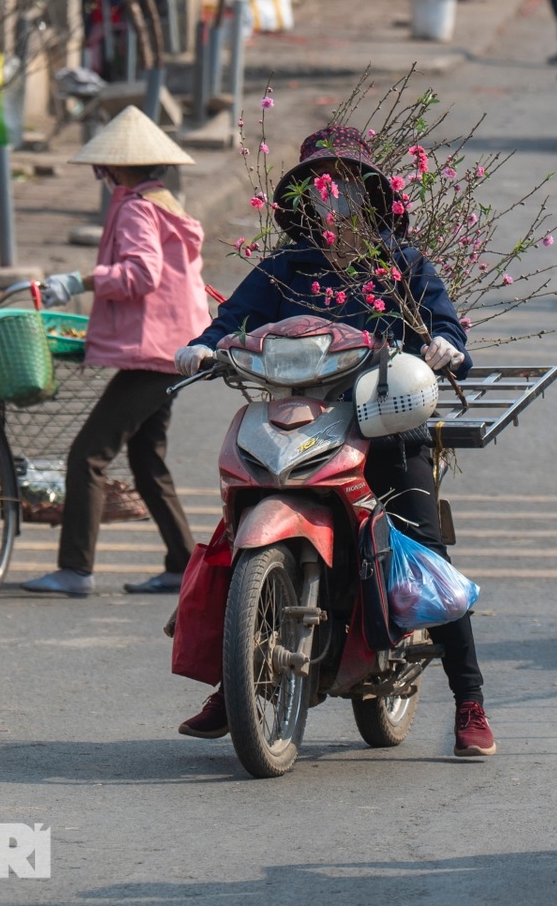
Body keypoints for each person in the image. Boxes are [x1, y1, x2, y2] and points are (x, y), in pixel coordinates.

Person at [170, 126, 497, 756]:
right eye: (324, 187)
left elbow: (447, 325)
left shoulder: (402, 266)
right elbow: (230, 323)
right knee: (230, 534)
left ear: (370, 194)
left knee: (426, 554)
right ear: (307, 201)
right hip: (298, 420)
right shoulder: (285, 270)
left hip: (385, 426)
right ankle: (232, 675)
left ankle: (470, 701)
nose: (335, 198)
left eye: (347, 185)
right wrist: (205, 348)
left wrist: (444, 345)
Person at [21, 107, 208, 599]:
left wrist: (81, 281)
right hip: (179, 348)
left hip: (155, 353)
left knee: (88, 454)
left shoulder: (134, 208)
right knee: (147, 458)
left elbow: (141, 274)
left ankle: (75, 569)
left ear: (116, 167)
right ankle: (182, 564)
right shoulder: (168, 203)